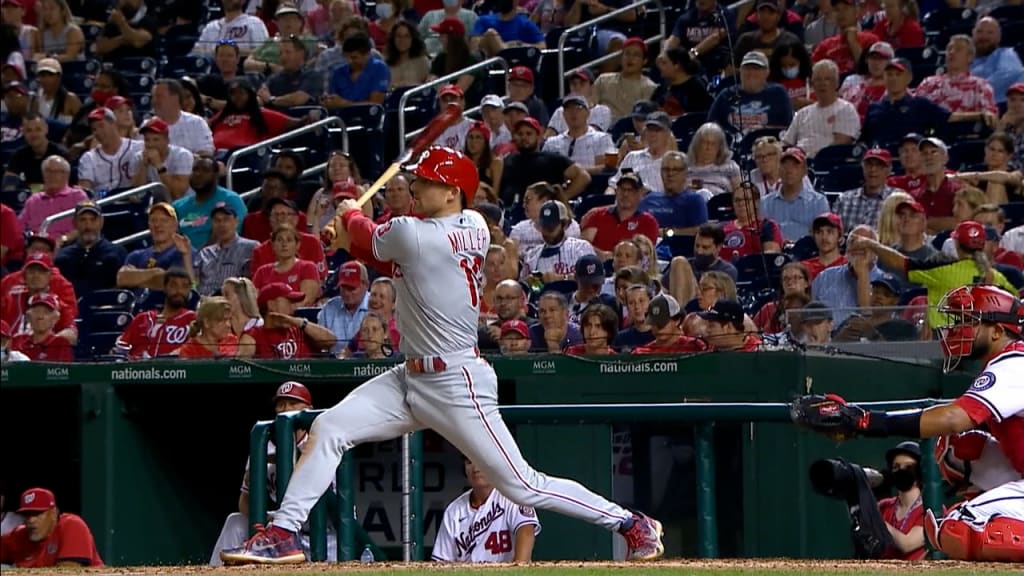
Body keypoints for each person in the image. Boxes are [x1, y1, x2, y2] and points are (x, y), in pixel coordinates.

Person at [220, 146, 664, 564]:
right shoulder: (469, 224)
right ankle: (283, 532)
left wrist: (349, 210)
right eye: (418, 181)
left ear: (452, 192)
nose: (416, 188)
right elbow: (386, 253)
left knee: (523, 485)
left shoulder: (415, 233)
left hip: (456, 381)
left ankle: (630, 523)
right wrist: (349, 236)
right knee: (329, 427)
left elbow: (374, 238)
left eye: (427, 183)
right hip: (409, 377)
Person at [790, 283, 1024, 562]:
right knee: (957, 447)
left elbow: (952, 418)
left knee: (961, 528)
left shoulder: (1013, 363)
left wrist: (865, 422)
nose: (957, 329)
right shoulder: (1008, 362)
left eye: (968, 321)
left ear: (998, 331)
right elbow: (955, 423)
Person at [432, 455, 540, 563]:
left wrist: (518, 570)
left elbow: (526, 533)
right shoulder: (454, 511)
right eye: (469, 462)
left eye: (481, 461)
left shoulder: (513, 496)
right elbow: (442, 563)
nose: (475, 468)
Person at [0, 487, 103, 567]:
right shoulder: (19, 535)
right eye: (27, 514)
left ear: (54, 513)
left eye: (38, 514)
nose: (31, 520)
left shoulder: (71, 525)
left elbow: (68, 572)